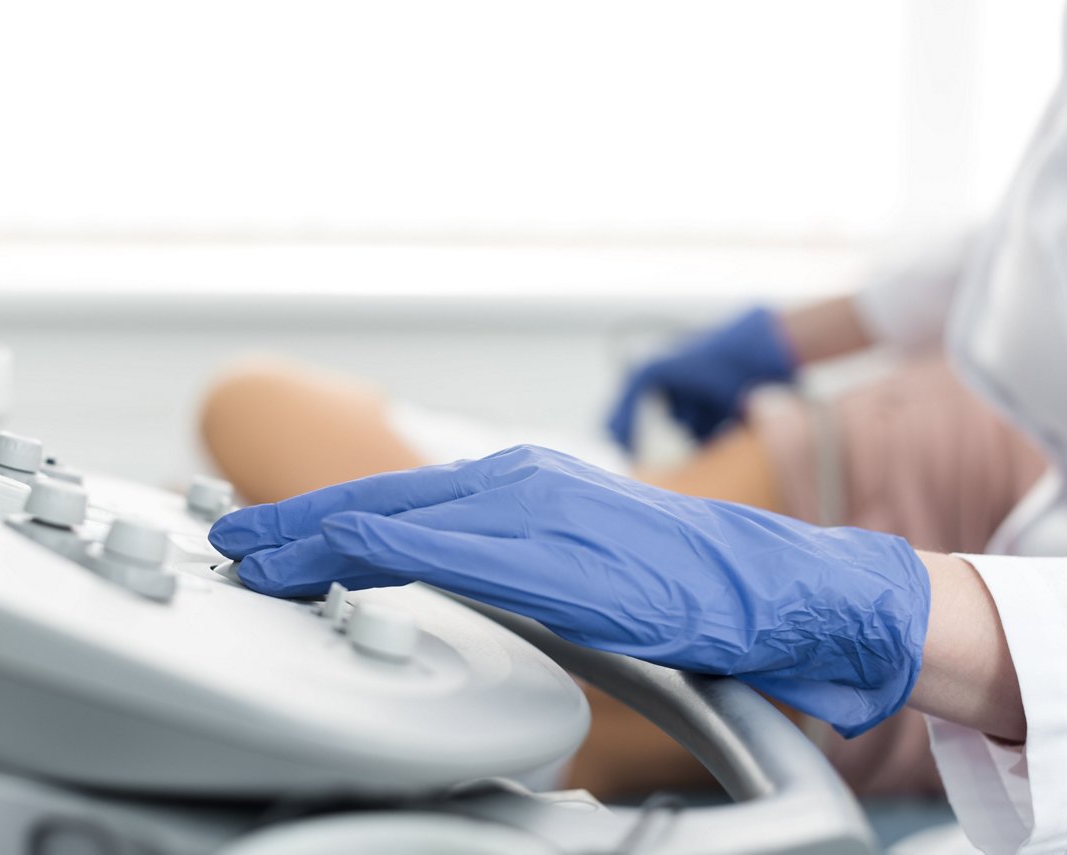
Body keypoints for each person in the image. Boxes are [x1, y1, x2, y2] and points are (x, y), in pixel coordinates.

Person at [205, 15, 1067, 851]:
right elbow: (1026, 245)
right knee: (254, 429)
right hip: (954, 559)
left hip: (954, 590)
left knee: (254, 420)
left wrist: (876, 607)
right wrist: (782, 339)